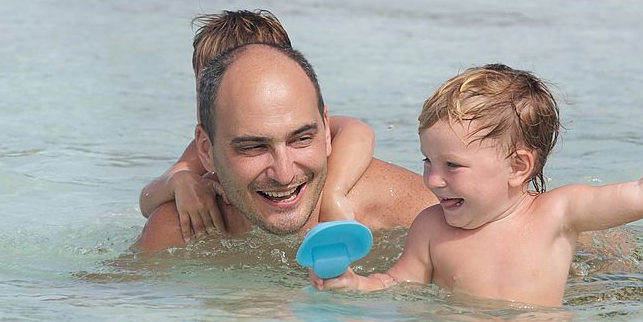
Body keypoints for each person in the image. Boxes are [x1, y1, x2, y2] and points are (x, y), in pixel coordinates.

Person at [309, 64, 643, 307]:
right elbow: (397, 282)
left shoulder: (557, 215)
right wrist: (358, 286)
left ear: (518, 166)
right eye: (427, 161)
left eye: (452, 165)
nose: (432, 179)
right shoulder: (430, 227)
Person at [136, 43, 437, 251]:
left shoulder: (411, 213)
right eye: (253, 147)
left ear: (327, 129)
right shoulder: (183, 229)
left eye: (301, 139)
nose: (284, 174)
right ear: (206, 150)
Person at [139, 10, 374, 241]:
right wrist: (179, 183)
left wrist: (334, 194)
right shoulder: (201, 149)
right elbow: (147, 200)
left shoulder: (308, 126)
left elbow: (359, 133)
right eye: (206, 87)